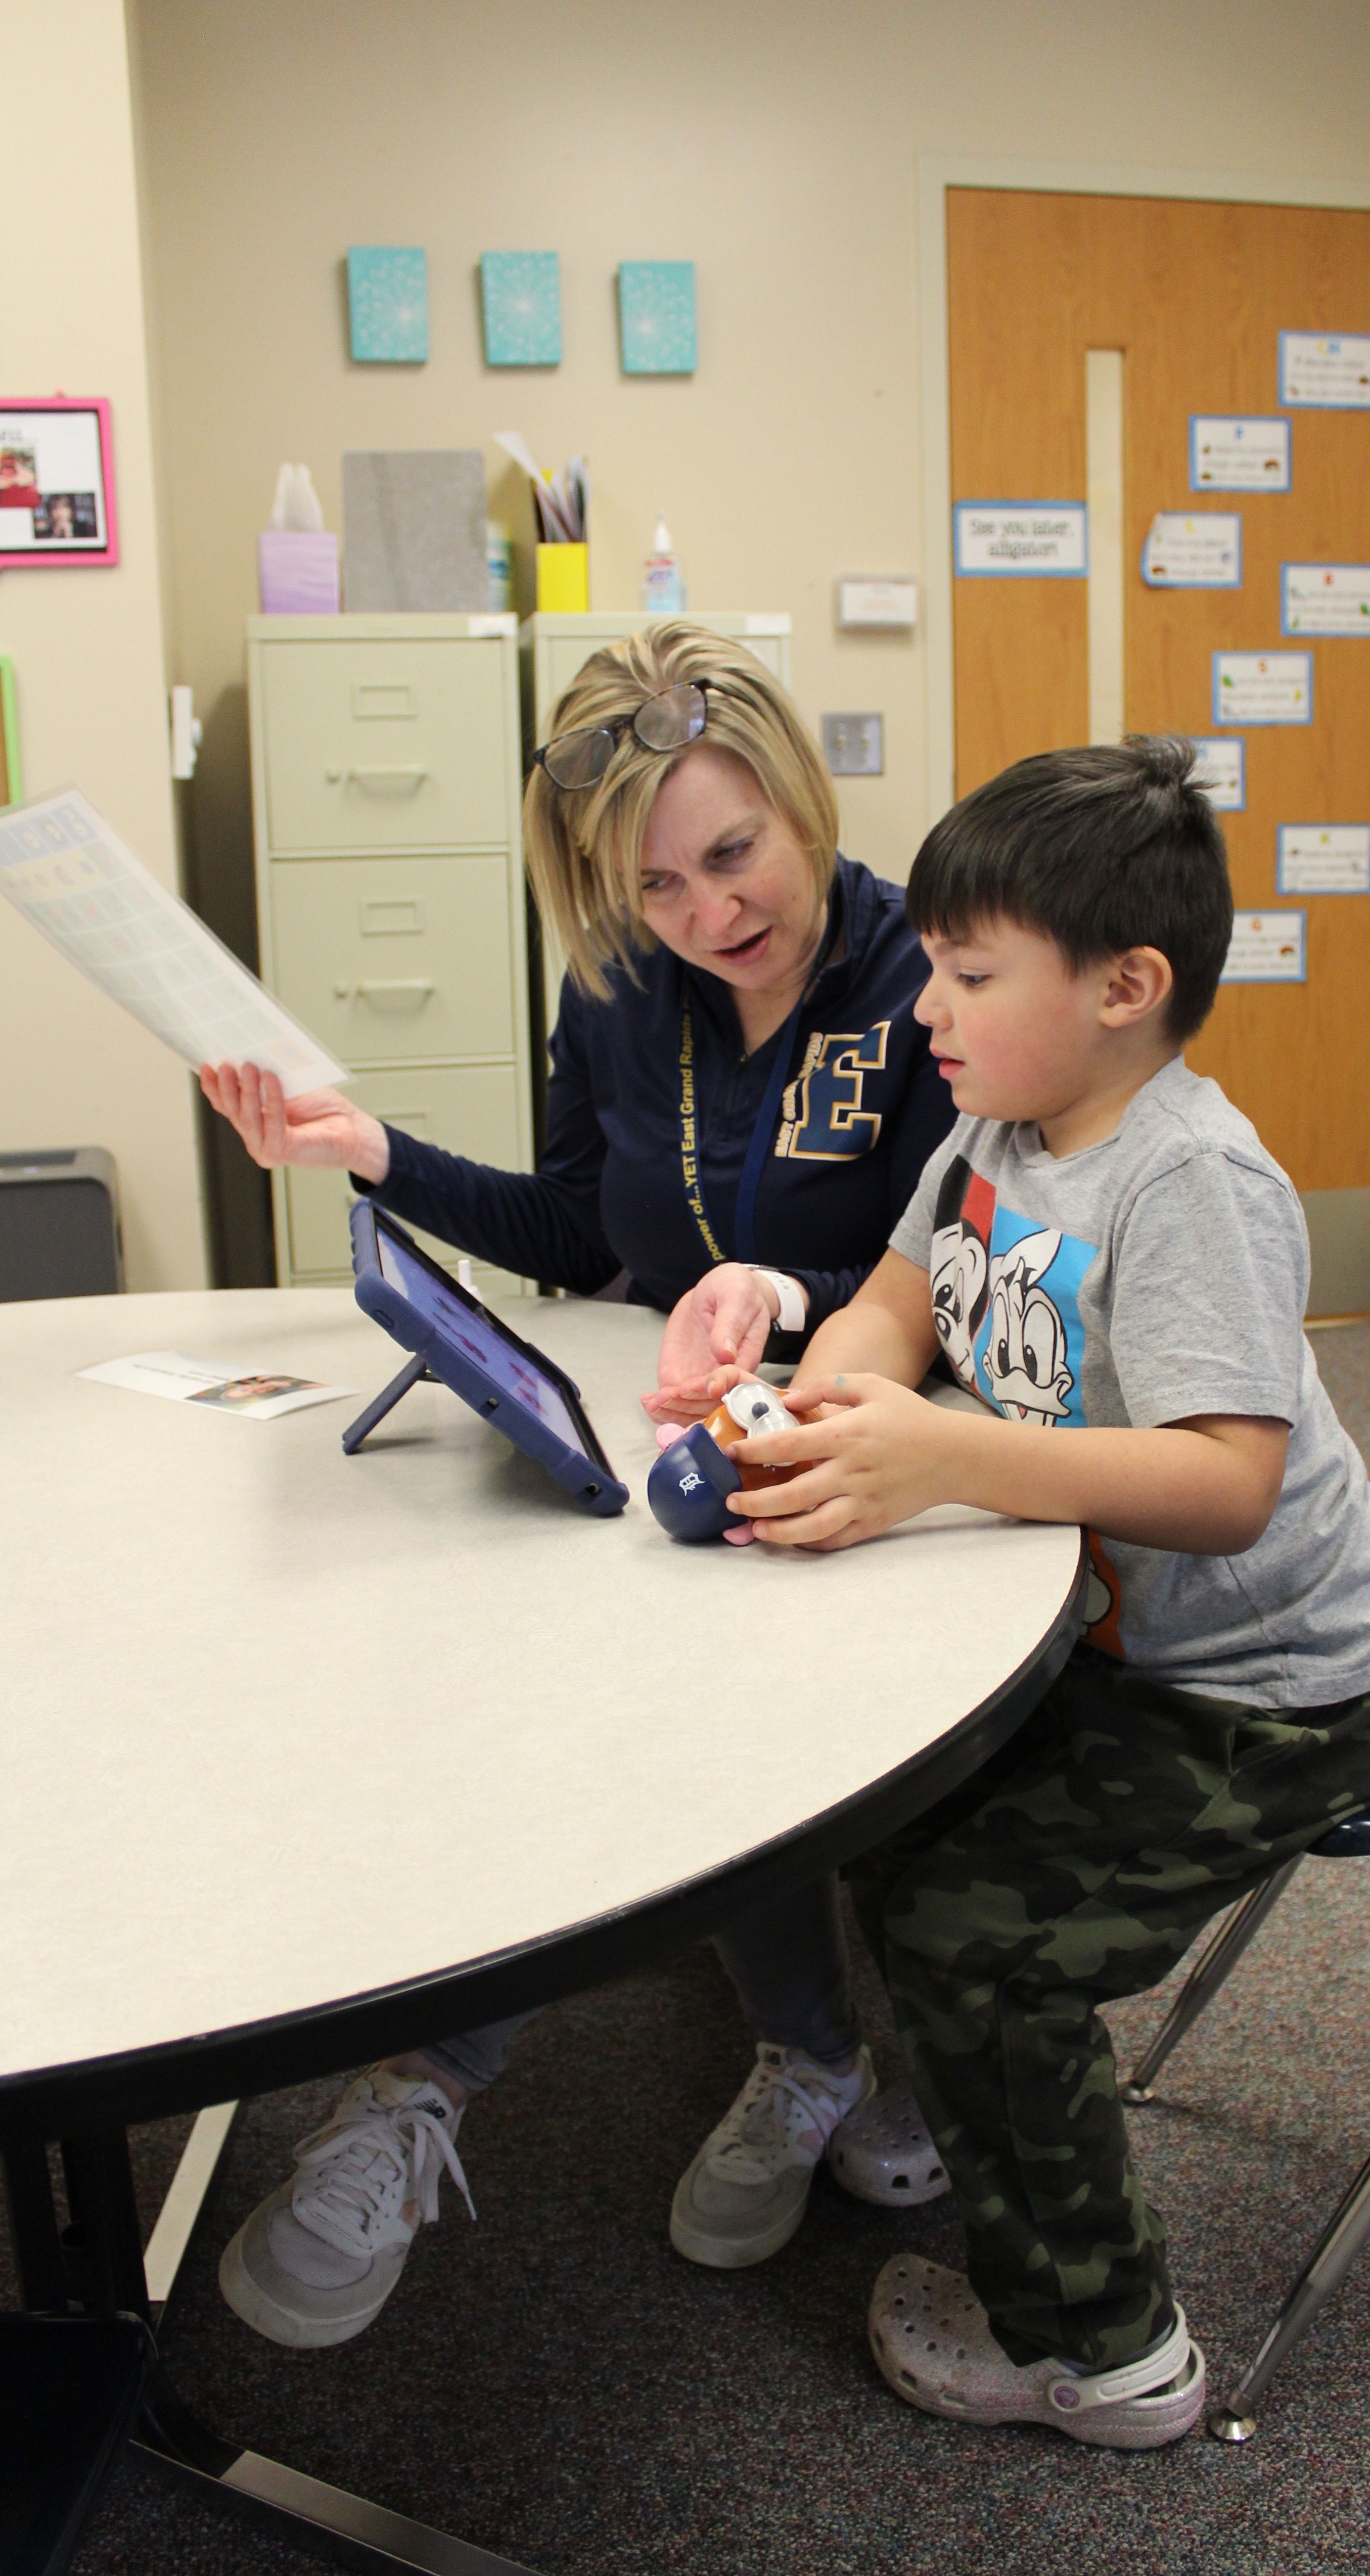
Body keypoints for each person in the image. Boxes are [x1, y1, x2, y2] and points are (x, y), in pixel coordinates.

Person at [199, 622, 957, 2349]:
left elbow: (962, 1278)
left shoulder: (931, 974)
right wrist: (366, 1150)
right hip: (653, 1426)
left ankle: (805, 2055)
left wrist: (789, 1311)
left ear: (796, 791)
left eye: (731, 853)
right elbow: (573, 1232)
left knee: (703, 1691)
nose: (705, 913)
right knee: (486, 1644)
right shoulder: (618, 985)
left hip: (856, 1439)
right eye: (653, 884)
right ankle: (429, 2082)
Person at [716, 737, 1370, 2449]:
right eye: (933, 969)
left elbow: (1225, 1479)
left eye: (969, 974)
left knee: (980, 1946)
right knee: (893, 1823)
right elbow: (902, 1291)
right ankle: (968, 2120)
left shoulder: (1186, 1180)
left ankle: (1104, 2352)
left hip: (1286, 1686)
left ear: (1128, 987)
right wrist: (838, 1392)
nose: (926, 1011)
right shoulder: (1000, 1118)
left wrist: (950, 1459)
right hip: (1128, 1639)